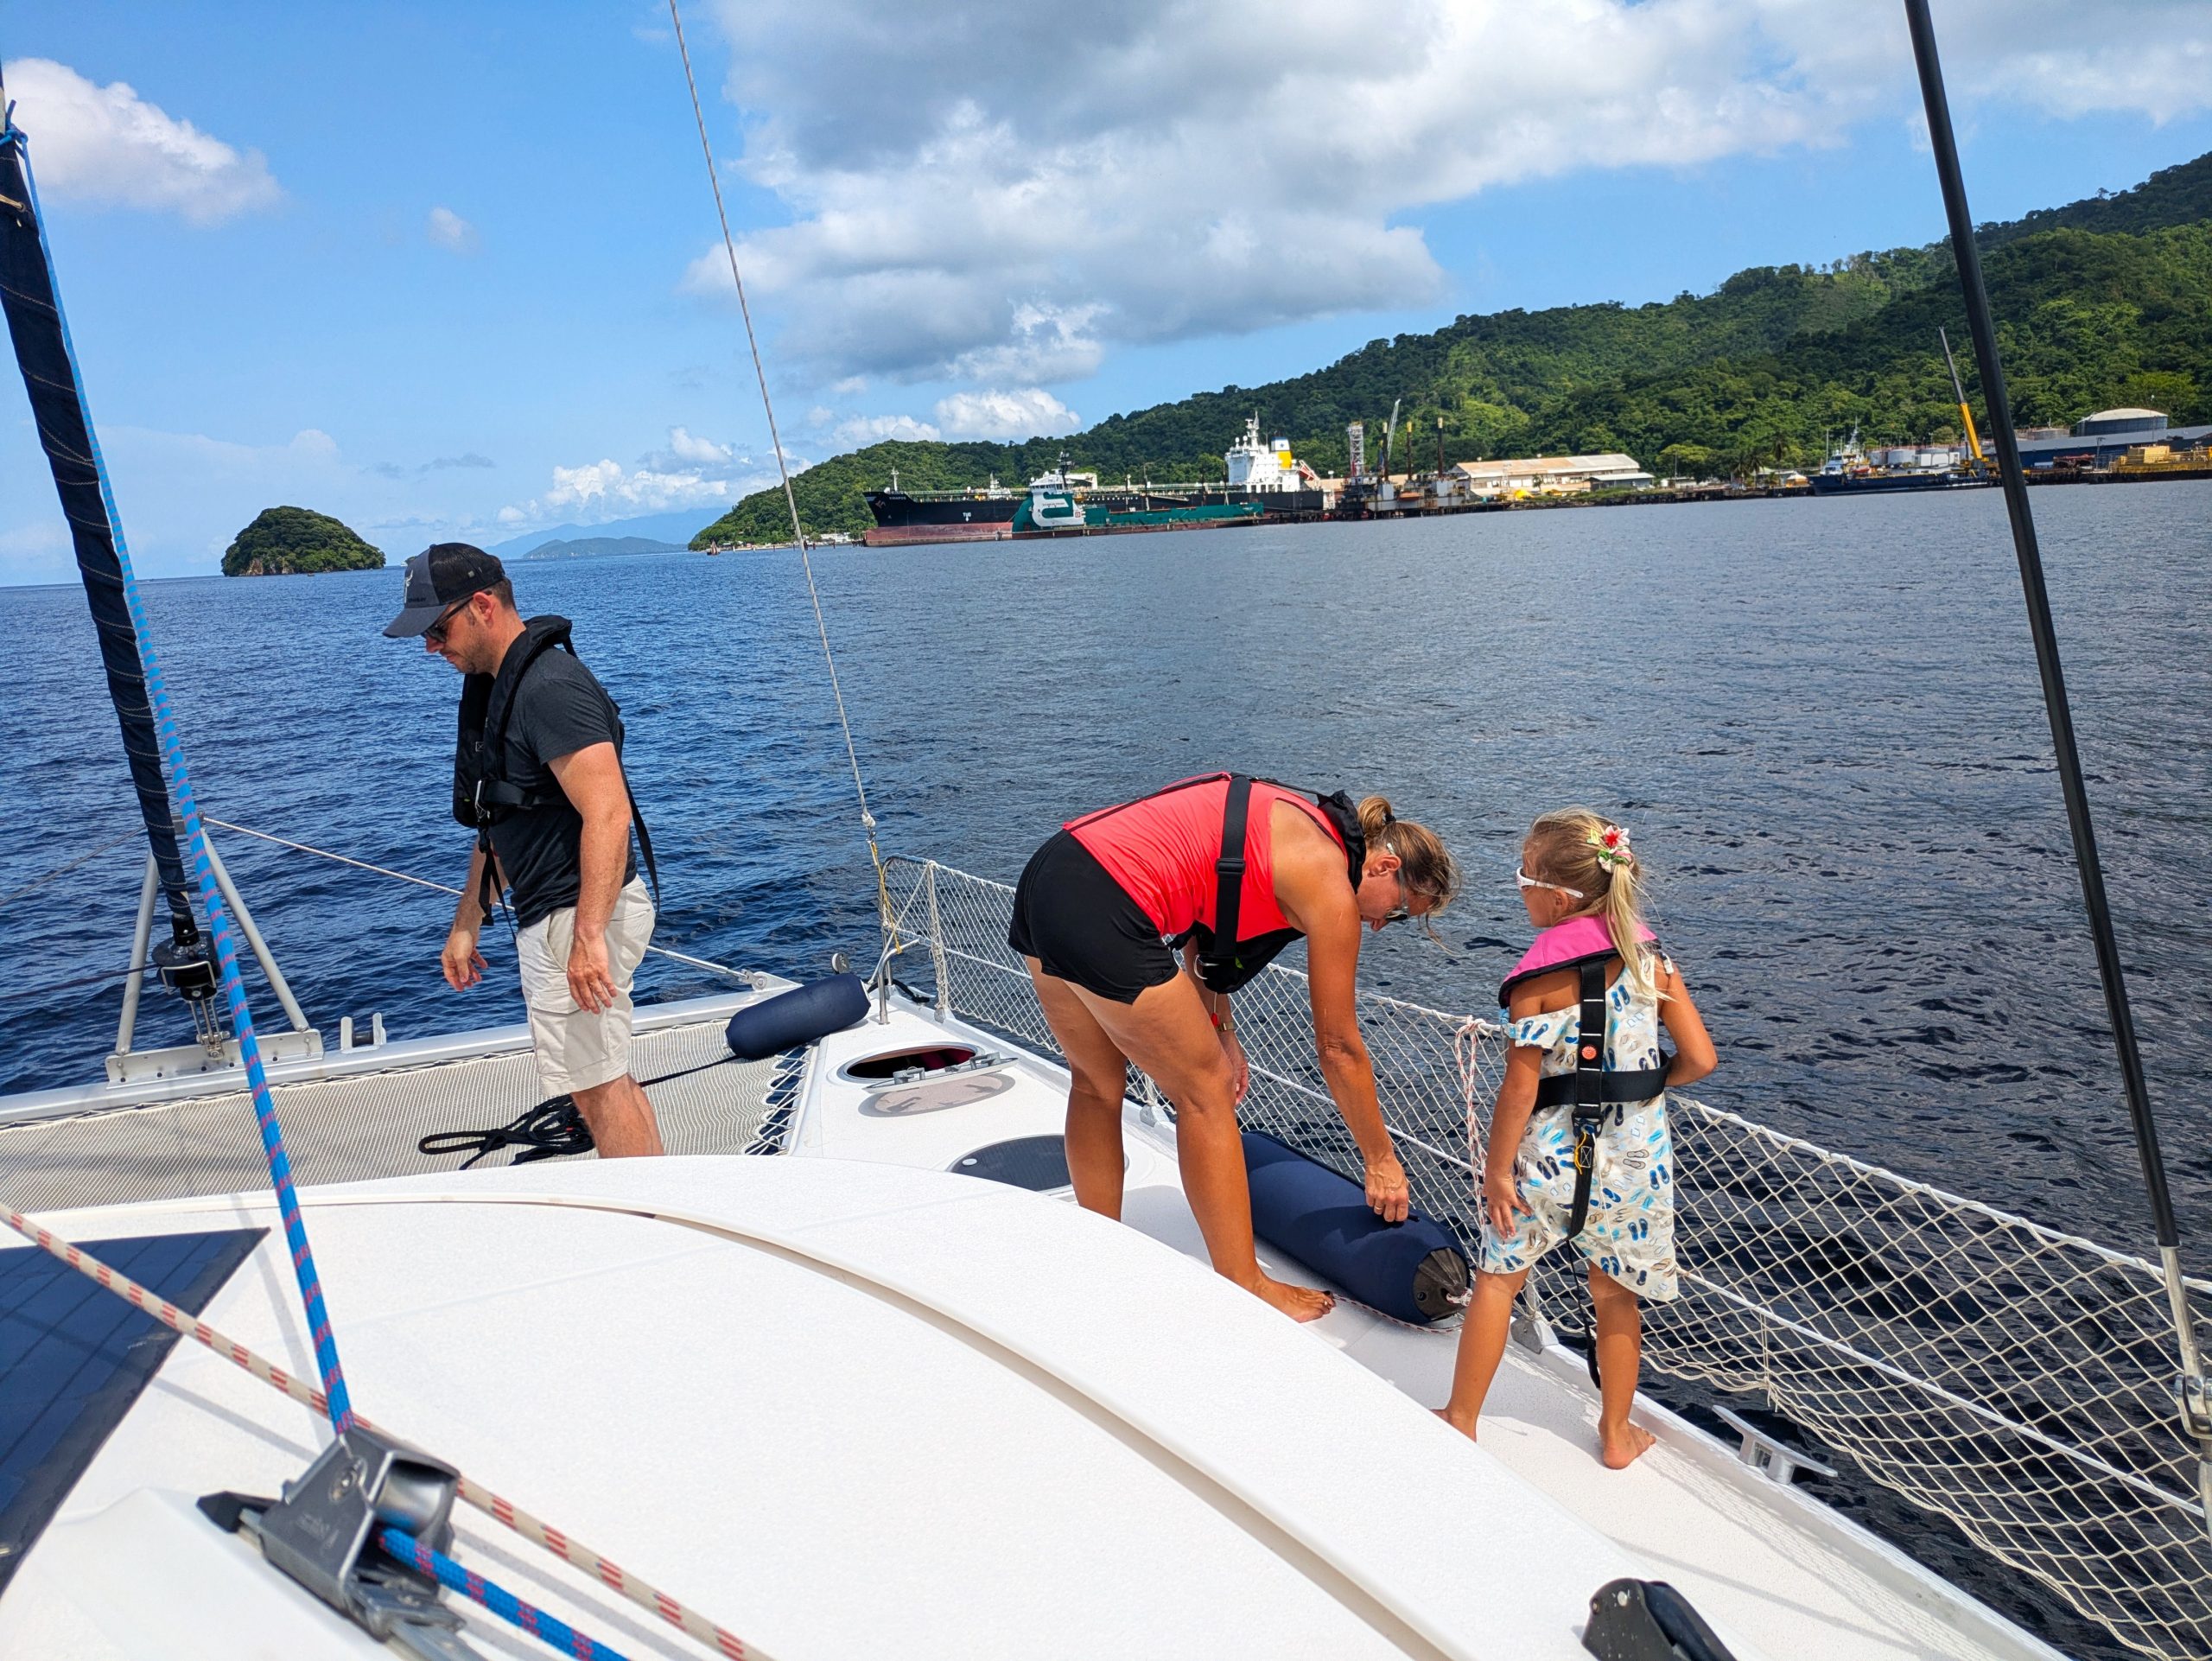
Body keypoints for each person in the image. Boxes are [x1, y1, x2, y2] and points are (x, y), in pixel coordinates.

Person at [1007, 772, 1460, 1322]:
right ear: (1385, 867)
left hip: (1051, 876)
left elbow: (1207, 928)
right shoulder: (1329, 880)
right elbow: (1338, 1047)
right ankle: (1245, 1282)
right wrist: (1381, 1160)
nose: (1383, 925)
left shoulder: (1297, 824)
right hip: (1109, 903)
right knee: (1206, 1092)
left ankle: (1100, 1242)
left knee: (1096, 1084)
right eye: (1399, 911)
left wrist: (1221, 1029)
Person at [1436, 810, 1715, 1467]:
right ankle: (1617, 1434)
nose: (1519, 888)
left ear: (1558, 899)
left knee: (1499, 1282)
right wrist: (1641, 1088)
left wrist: (1496, 1173)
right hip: (1634, 1164)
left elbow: (1518, 1092)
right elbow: (1701, 1060)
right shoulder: (1654, 965)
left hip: (1547, 1161)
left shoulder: (1535, 982)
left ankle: (1460, 1418)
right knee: (1615, 1297)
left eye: (1522, 878)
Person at [383, 544, 664, 1157]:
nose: (430, 647)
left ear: (483, 605)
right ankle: (653, 1192)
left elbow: (609, 812)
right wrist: (467, 922)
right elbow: (504, 819)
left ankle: (644, 1204)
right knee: (601, 1079)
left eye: (438, 629)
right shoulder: (500, 688)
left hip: (578, 913)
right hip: (559, 914)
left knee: (598, 1088)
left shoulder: (548, 689)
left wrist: (588, 937)